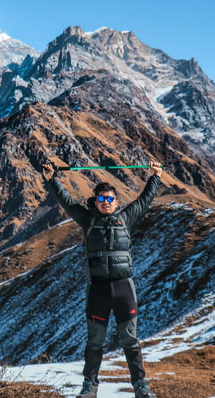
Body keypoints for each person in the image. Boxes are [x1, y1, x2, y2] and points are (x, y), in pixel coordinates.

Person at [42, 160, 162, 398]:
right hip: (97, 290)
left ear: (116, 202)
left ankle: (140, 387)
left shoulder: (126, 218)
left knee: (130, 340)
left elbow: (145, 199)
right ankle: (90, 387)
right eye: (101, 199)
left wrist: (155, 176)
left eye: (110, 199)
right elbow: (66, 201)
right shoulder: (87, 220)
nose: (106, 203)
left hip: (124, 288)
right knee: (95, 342)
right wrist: (51, 179)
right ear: (95, 201)